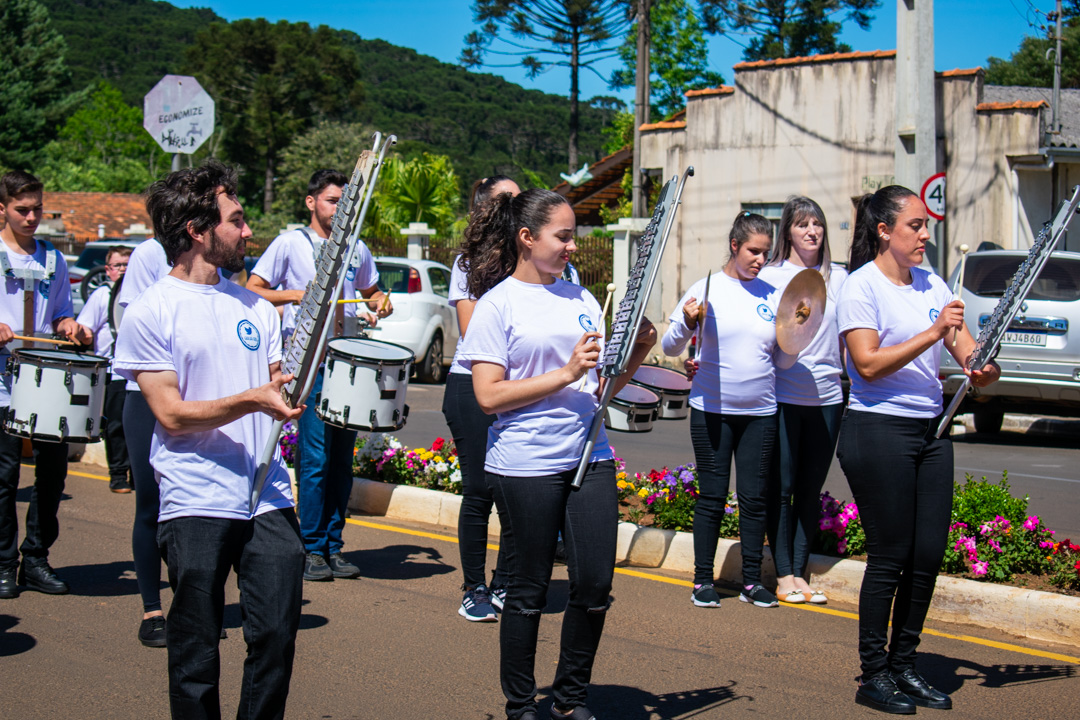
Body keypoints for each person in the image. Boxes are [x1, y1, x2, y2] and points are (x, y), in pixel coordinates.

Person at [113, 160, 305, 719]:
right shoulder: (152, 311)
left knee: (275, 635)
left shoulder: (253, 307)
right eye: (237, 221)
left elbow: (276, 386)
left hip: (266, 494)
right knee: (196, 649)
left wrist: (292, 391)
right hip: (195, 496)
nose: (249, 232)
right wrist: (252, 399)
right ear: (198, 230)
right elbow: (170, 415)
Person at [461, 189, 656, 720]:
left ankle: (570, 699)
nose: (574, 245)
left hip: (589, 452)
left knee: (594, 583)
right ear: (528, 238)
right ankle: (521, 705)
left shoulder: (582, 298)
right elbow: (488, 396)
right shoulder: (497, 304)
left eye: (575, 235)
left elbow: (602, 388)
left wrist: (636, 349)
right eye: (563, 236)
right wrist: (565, 373)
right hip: (524, 462)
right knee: (528, 589)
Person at [836, 185, 999, 714]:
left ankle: (905, 665)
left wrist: (983, 366)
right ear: (885, 231)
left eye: (926, 225)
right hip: (877, 428)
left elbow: (967, 349)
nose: (926, 234)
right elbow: (866, 364)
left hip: (931, 429)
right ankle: (873, 673)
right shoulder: (860, 287)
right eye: (915, 225)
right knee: (891, 554)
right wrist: (934, 332)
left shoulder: (933, 282)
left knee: (927, 554)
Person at [247, 169, 391, 583]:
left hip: (347, 364)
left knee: (342, 460)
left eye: (344, 201)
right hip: (310, 363)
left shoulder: (356, 249)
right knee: (315, 457)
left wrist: (382, 303)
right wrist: (293, 295)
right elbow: (253, 288)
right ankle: (310, 546)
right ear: (311, 202)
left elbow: (374, 292)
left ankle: (333, 544)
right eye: (332, 200)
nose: (338, 208)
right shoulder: (291, 243)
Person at [662, 212, 794, 611]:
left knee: (754, 499)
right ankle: (703, 580)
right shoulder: (706, 289)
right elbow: (670, 347)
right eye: (753, 251)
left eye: (766, 253)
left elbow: (783, 363)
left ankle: (752, 582)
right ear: (734, 246)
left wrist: (797, 334)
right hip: (712, 410)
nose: (759, 259)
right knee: (713, 496)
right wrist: (686, 322)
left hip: (761, 412)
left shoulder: (773, 295)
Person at [0, 170, 93, 600]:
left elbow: (59, 314)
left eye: (37, 208)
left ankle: (36, 558)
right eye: (23, 209)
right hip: (1, 385)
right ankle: (4, 563)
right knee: (3, 478)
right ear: (2, 208)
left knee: (52, 476)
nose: (32, 216)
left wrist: (69, 323)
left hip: (45, 382)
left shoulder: (53, 259)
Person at [758, 197, 848, 605]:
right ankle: (784, 574)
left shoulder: (839, 278)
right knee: (783, 486)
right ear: (788, 232)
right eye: (802, 224)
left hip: (828, 396)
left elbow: (849, 338)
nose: (812, 231)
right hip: (782, 395)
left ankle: (802, 570)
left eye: (817, 224)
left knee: (811, 488)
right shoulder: (772, 276)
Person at [443, 175, 519, 622]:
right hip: (470, 385)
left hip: (521, 387)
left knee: (516, 490)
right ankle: (474, 588)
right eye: (506, 199)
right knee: (479, 491)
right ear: (485, 210)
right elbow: (474, 335)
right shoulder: (466, 262)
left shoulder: (535, 262)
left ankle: (505, 582)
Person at [115, 235, 176, 646]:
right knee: (150, 505)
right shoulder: (150, 253)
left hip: (195, 395)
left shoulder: (216, 258)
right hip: (145, 397)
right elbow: (128, 321)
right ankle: (152, 611)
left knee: (190, 508)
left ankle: (191, 607)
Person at [76, 245, 133, 494]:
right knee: (116, 426)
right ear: (108, 270)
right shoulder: (102, 295)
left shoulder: (143, 294)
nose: (122, 270)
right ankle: (118, 474)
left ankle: (137, 475)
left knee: (138, 426)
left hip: (137, 373)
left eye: (127, 265)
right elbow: (85, 328)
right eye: (118, 265)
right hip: (114, 370)